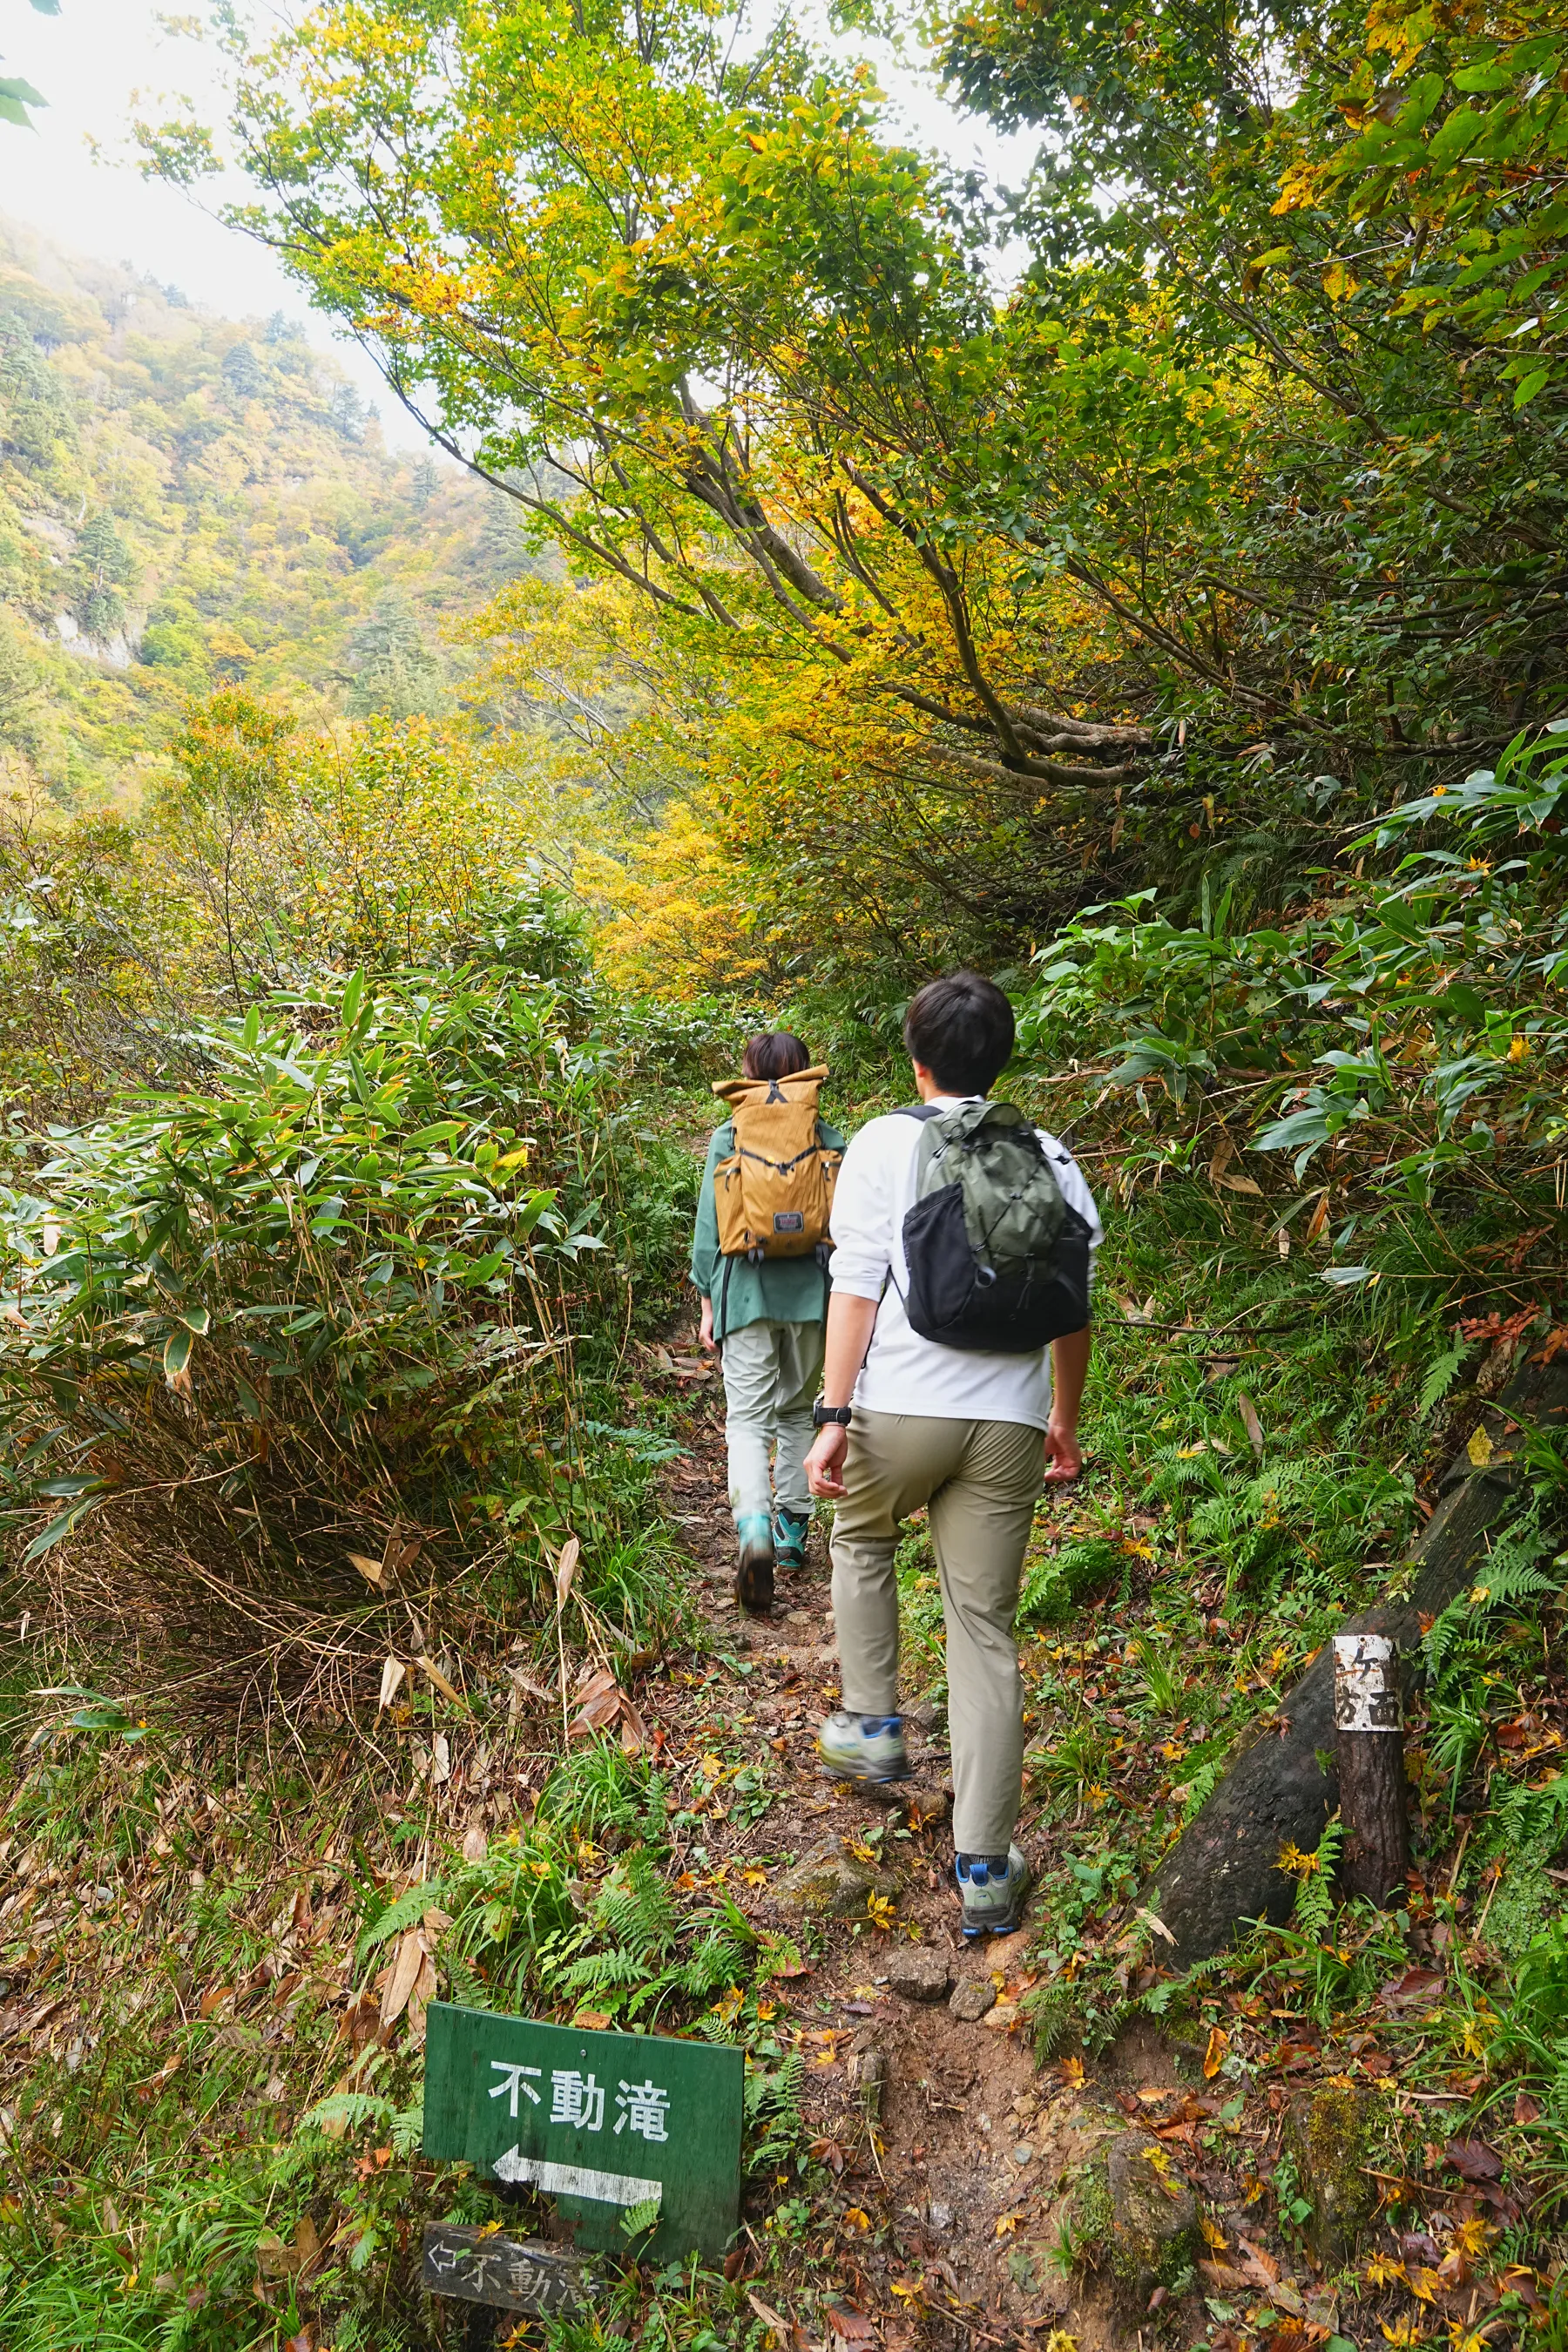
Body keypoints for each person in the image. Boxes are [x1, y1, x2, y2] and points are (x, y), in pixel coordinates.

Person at [803, 971, 1102, 1940]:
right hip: (1008, 1422)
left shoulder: (885, 1143)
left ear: (914, 1055)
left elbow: (855, 1286)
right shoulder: (1048, 1154)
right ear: (1003, 1054)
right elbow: (1072, 1304)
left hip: (900, 1408)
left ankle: (875, 1726)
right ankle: (984, 1869)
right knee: (985, 1632)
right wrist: (1061, 1418)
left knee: (861, 1536)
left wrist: (833, 1411)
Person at [693, 1032, 848, 1615]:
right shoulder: (827, 1138)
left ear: (751, 1074)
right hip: (813, 1298)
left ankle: (753, 1528)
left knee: (747, 1421)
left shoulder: (727, 1138)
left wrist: (708, 1301)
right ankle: (791, 1535)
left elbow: (711, 1229)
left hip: (747, 1294)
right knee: (793, 1412)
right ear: (805, 1075)